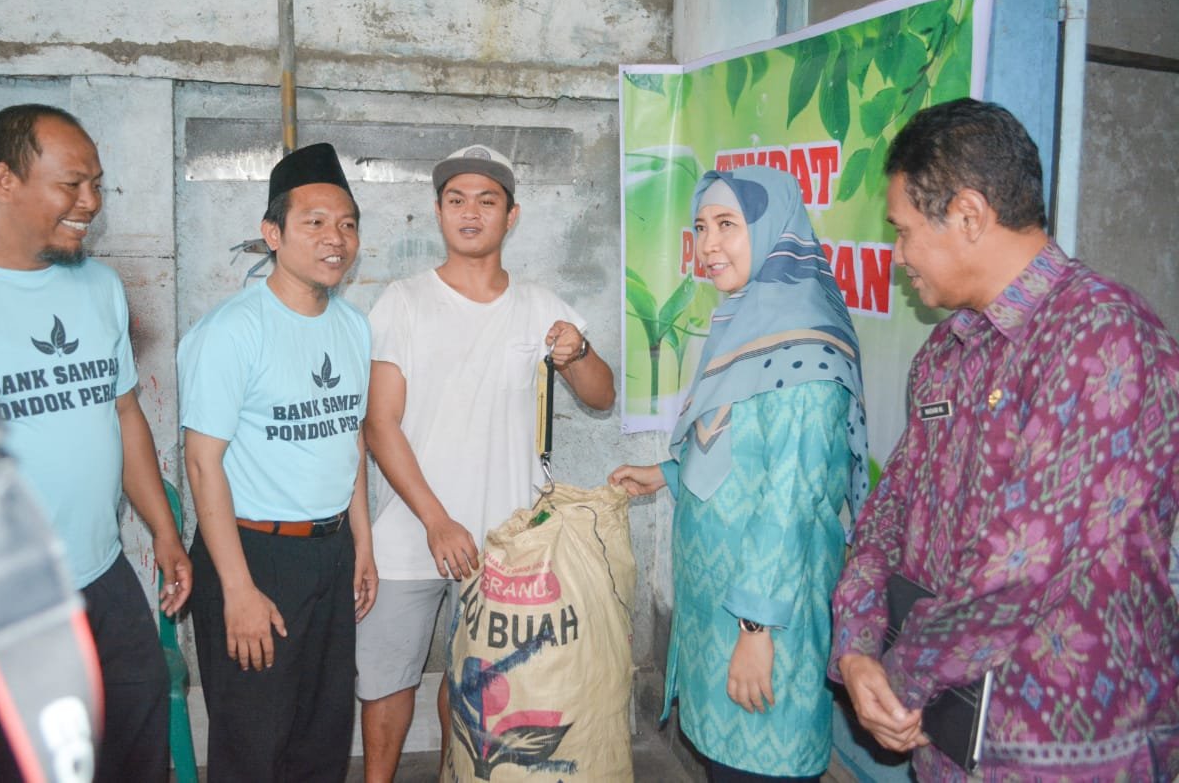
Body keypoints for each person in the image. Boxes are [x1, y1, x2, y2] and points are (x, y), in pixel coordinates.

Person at [831, 98, 1179, 780]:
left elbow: (1020, 567)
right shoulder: (946, 351)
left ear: (968, 214)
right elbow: (890, 508)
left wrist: (900, 676)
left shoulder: (1103, 339)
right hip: (944, 743)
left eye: (903, 231)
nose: (898, 256)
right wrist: (856, 645)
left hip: (1065, 755)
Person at [0, 103, 189, 782]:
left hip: (103, 582)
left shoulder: (99, 286)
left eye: (97, 184)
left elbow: (124, 412)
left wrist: (164, 531)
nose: (91, 202)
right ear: (5, 182)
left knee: (133, 757)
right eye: (72, 184)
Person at [357, 144, 615, 781]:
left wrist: (579, 351)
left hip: (505, 544)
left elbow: (601, 395)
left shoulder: (540, 305)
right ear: (438, 211)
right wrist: (436, 520)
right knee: (387, 682)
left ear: (512, 215)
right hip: (411, 534)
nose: (470, 212)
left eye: (486, 201)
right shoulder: (403, 302)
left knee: (474, 684)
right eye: (456, 200)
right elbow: (379, 424)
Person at [610, 165, 868, 782]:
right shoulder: (748, 321)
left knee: (761, 764)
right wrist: (667, 473)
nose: (708, 244)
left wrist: (755, 630)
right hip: (719, 610)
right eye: (701, 227)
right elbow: (737, 450)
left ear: (774, 228)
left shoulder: (807, 353)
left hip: (764, 620)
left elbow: (791, 501)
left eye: (728, 224)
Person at [178, 142, 376, 783]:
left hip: (331, 553)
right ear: (273, 233)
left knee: (322, 739)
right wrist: (237, 590)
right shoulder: (231, 331)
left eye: (347, 224)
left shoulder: (353, 327)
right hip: (253, 555)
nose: (335, 238)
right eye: (314, 222)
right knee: (253, 746)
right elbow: (202, 463)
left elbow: (351, 440)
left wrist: (362, 545)